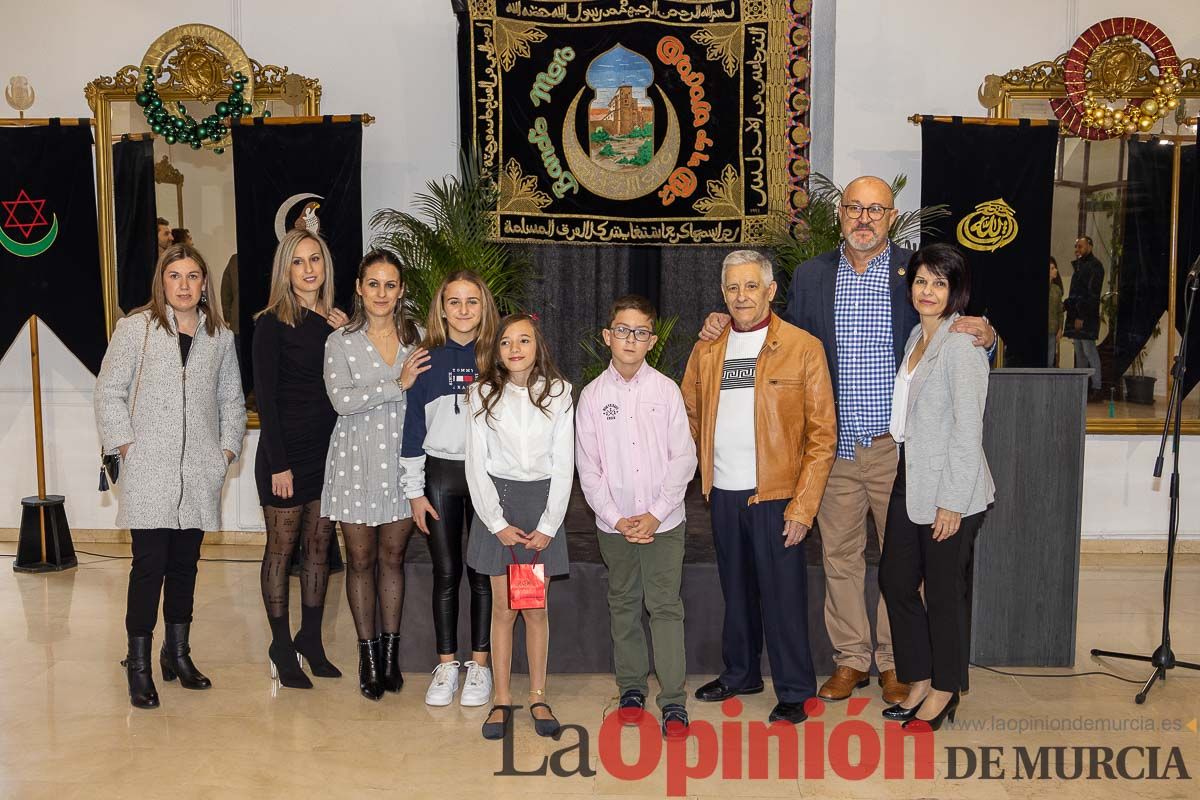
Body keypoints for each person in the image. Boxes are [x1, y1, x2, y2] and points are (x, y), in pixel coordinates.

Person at [699, 175, 996, 705]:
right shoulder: (812, 275)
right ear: (840, 215)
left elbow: (955, 328)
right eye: (854, 208)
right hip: (833, 447)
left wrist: (990, 335)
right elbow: (776, 336)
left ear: (892, 216)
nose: (863, 219)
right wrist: (726, 320)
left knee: (903, 565)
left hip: (894, 450)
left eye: (875, 210)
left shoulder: (916, 274)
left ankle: (895, 662)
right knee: (840, 556)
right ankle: (852, 659)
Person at [684, 250, 837, 725]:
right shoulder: (708, 346)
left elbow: (821, 435)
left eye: (751, 286)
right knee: (737, 590)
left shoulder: (802, 347)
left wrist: (802, 506)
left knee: (783, 595)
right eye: (732, 288)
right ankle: (741, 672)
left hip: (777, 493)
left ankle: (794, 689)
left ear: (771, 291)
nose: (741, 296)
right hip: (724, 491)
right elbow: (689, 411)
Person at [95, 243, 246, 709]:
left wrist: (224, 452)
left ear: (204, 285)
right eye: (175, 276)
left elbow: (232, 402)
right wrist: (126, 446)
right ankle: (138, 663)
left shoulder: (220, 337)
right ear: (162, 282)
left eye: (193, 277)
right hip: (149, 470)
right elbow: (108, 392)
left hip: (199, 471)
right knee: (149, 567)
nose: (184, 285)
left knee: (186, 566)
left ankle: (177, 652)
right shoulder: (134, 329)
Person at [878, 243, 994, 730]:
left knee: (944, 592)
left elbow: (969, 431)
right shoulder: (914, 338)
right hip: (911, 477)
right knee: (895, 581)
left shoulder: (964, 345)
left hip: (954, 490)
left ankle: (945, 689)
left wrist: (951, 502)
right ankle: (919, 677)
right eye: (922, 281)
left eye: (940, 283)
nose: (928, 291)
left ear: (956, 291)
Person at [576, 295, 698, 739]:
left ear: (652, 341)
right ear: (608, 336)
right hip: (615, 525)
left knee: (664, 606)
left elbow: (683, 459)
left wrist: (655, 513)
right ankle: (630, 687)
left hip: (663, 524)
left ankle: (673, 700)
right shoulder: (591, 397)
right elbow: (588, 468)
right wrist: (616, 516)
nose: (631, 339)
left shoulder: (665, 391)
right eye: (622, 330)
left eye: (641, 332)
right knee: (623, 603)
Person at [322, 250, 429, 700]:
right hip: (354, 464)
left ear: (401, 290)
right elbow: (341, 401)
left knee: (392, 560)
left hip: (403, 467)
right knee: (359, 561)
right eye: (373, 284)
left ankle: (389, 655)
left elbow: (427, 401)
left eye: (390, 285)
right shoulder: (340, 341)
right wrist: (395, 384)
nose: (381, 293)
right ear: (360, 289)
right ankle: (366, 656)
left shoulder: (418, 338)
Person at [465, 314, 574, 740]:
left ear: (537, 346)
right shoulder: (480, 394)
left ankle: (538, 694)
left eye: (523, 340)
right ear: (496, 350)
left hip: (543, 506)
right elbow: (476, 464)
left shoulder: (561, 393)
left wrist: (549, 524)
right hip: (499, 506)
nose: (514, 349)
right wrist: (496, 523)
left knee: (536, 609)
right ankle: (502, 698)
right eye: (506, 342)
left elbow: (565, 465)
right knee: (504, 609)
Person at [252, 230, 350, 690]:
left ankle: (310, 639)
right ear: (284, 270)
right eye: (298, 261)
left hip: (328, 453)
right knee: (282, 550)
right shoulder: (270, 323)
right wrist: (278, 464)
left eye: (316, 259)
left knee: (319, 550)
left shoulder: (334, 323)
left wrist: (344, 333)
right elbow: (266, 401)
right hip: (284, 455)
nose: (309, 269)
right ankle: (280, 644)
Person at [400, 271, 499, 707]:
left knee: (481, 574)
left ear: (484, 307)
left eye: (472, 302)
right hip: (439, 477)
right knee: (446, 573)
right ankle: (446, 664)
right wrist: (414, 491)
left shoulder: (499, 356)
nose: (463, 310)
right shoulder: (424, 358)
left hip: (487, 479)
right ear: (441, 308)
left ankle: (480, 665)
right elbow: (412, 429)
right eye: (454, 302)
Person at [1064, 236, 1104, 397]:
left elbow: (1091, 295)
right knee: (1079, 351)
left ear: (1090, 246)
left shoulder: (1095, 267)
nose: (1077, 250)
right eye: (1076, 247)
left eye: (1080, 246)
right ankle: (1082, 387)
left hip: (1086, 317)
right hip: (1077, 315)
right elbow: (1075, 292)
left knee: (1089, 350)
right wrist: (1066, 306)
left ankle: (1097, 386)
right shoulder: (1080, 266)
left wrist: (1081, 316)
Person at [1048, 257, 1064, 368]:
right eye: (1052, 268)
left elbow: (1060, 311)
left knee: (1050, 359)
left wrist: (1060, 328)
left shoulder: (1057, 289)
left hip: (1052, 330)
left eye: (1055, 268)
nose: (1055, 270)